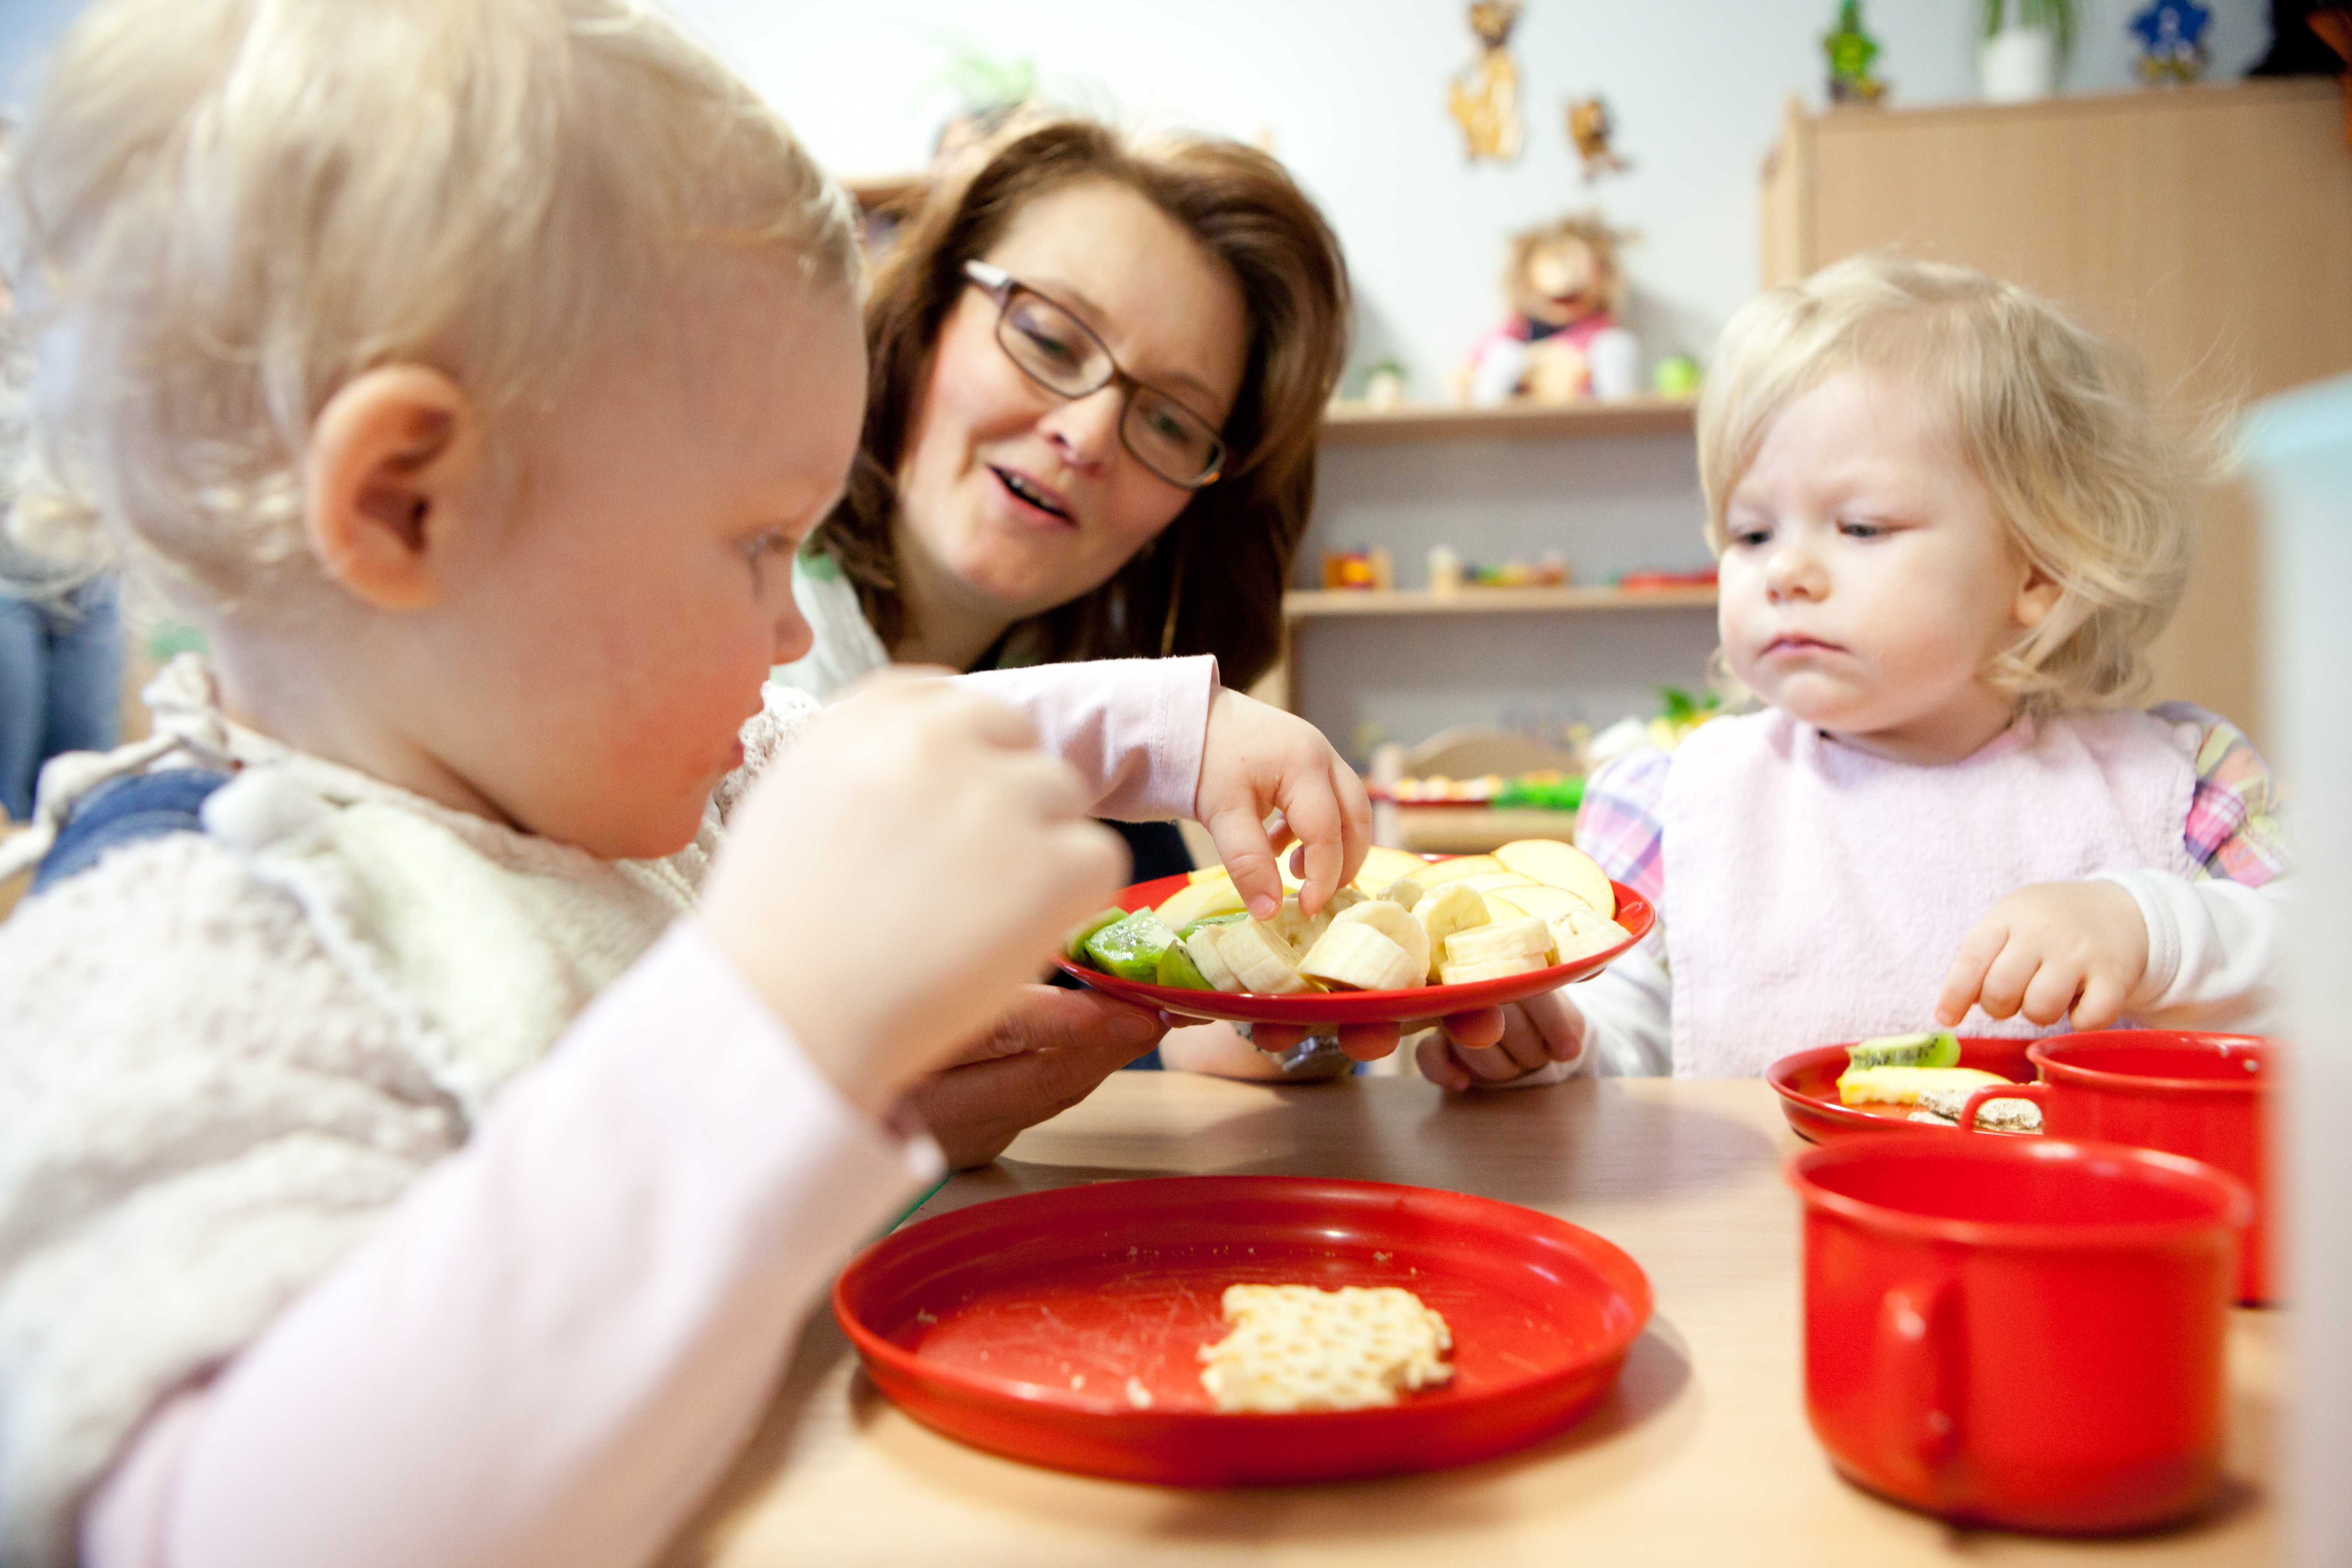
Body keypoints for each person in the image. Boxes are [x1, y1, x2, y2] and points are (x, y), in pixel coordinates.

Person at [0, 3, 1369, 1563]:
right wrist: (763, 1029)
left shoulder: (593, 787)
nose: (793, 629)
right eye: (749, 549)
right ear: (408, 503)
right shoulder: (197, 938)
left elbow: (878, 752)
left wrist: (1172, 734)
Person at [1409, 253, 2288, 1089]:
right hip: (1761, 1237)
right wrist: (1551, 1044)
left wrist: (2151, 929)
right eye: (1752, 533)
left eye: (1861, 527)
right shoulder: (1680, 806)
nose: (1785, 571)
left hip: (2079, 1240)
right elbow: (1637, 1037)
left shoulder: (2180, 787)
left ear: (2037, 570)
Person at [773, 112, 1355, 1079]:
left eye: (1168, 422)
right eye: (1047, 337)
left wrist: (1338, 1005)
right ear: (923, 317)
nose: (1086, 435)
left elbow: (1187, 1049)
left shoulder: (1105, 797)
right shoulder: (719, 630)